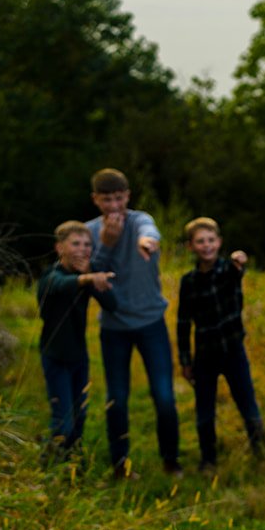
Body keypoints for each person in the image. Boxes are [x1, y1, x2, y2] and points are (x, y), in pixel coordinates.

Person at [86, 168, 181, 478]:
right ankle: (120, 465)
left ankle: (171, 460)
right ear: (96, 200)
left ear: (127, 196)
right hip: (114, 327)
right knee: (117, 398)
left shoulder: (141, 220)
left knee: (164, 395)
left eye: (118, 198)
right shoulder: (90, 232)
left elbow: (149, 229)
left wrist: (147, 242)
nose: (114, 206)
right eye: (107, 200)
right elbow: (92, 277)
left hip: (151, 322)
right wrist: (108, 242)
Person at [176, 217, 265, 473]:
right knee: (205, 408)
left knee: (246, 400)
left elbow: (239, 268)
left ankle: (260, 451)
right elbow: (183, 322)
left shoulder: (229, 270)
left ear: (219, 242)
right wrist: (185, 360)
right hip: (205, 354)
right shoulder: (189, 281)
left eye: (211, 240)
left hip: (233, 350)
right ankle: (208, 459)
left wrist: (240, 259)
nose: (206, 246)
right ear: (191, 246)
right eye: (200, 241)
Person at [36, 221, 117, 458]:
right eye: (75, 244)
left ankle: (72, 464)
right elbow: (61, 285)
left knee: (80, 415)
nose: (82, 249)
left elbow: (112, 305)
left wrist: (89, 278)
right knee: (63, 421)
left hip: (79, 357)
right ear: (59, 248)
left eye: (87, 245)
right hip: (55, 356)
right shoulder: (51, 275)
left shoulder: (86, 275)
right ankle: (50, 464)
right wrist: (87, 278)